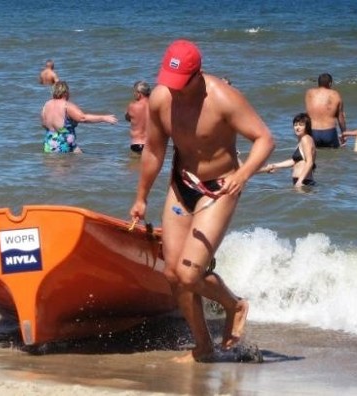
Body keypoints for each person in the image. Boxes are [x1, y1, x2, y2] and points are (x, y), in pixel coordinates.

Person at [129, 39, 275, 362]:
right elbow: (154, 151)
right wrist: (141, 197)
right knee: (172, 274)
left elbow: (265, 139)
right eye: (171, 82)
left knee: (190, 274)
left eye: (182, 84)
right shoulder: (160, 99)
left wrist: (244, 173)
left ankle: (234, 305)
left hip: (220, 188)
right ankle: (203, 347)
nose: (175, 90)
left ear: (198, 75)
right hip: (182, 185)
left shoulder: (223, 98)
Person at [41, 81, 117, 153]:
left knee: (77, 159)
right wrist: (104, 118)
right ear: (66, 93)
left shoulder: (46, 105)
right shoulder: (66, 105)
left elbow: (44, 124)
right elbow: (83, 118)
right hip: (63, 145)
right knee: (65, 165)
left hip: (48, 143)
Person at [260, 113, 316, 187]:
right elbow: (294, 161)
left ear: (307, 126)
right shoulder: (302, 140)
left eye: (301, 125)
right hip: (302, 182)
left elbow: (309, 162)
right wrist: (275, 165)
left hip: (304, 182)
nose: (297, 127)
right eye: (295, 125)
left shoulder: (306, 139)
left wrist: (299, 182)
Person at [304, 73, 346, 148]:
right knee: (333, 157)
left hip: (313, 131)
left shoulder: (309, 93)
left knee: (313, 157)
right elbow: (340, 117)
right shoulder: (335, 94)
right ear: (330, 83)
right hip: (329, 132)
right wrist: (344, 133)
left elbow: (307, 113)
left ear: (318, 83)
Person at [125, 81, 151, 154]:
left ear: (139, 94)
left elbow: (127, 118)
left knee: (136, 164)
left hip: (137, 144)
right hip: (151, 144)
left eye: (135, 92)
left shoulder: (132, 106)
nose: (134, 94)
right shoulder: (154, 105)